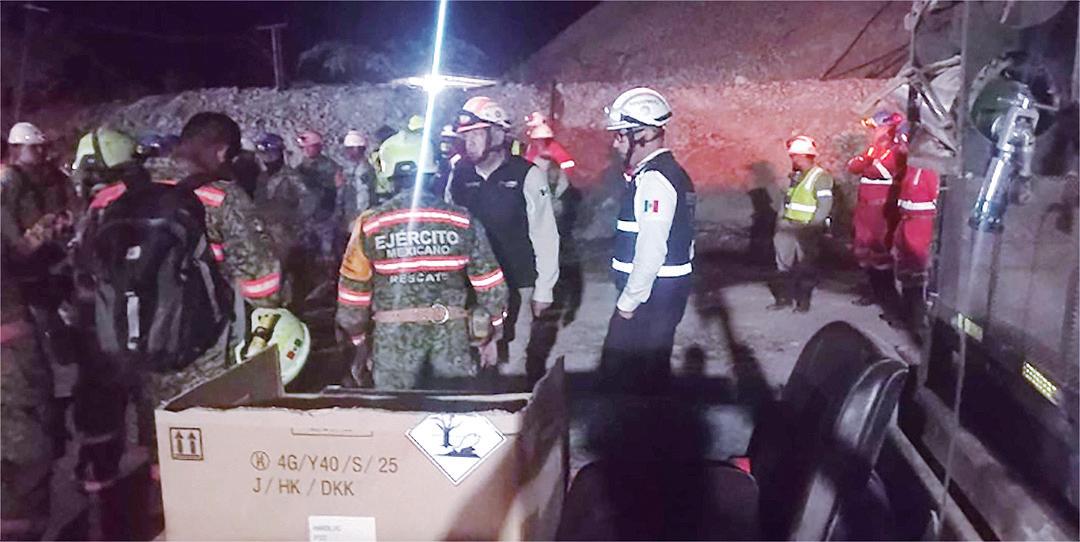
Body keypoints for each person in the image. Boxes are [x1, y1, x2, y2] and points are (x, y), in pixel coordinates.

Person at [335, 136, 508, 390]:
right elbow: (491, 287)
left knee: (396, 412)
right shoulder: (461, 220)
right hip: (452, 343)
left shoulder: (370, 224)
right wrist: (492, 333)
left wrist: (359, 341)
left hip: (392, 349)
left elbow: (352, 296)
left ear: (388, 174)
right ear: (432, 173)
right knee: (451, 411)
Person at [447, 96, 560, 381]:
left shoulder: (527, 175)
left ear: (497, 134)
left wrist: (544, 289)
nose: (468, 142)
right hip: (470, 288)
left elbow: (546, 235)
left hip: (518, 285)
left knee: (512, 366)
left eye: (476, 134)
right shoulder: (458, 175)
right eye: (465, 136)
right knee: (468, 365)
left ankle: (513, 404)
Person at [598, 88, 695, 394]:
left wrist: (629, 302)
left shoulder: (655, 179)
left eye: (620, 135)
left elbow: (652, 250)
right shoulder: (668, 173)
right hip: (663, 293)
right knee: (649, 373)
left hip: (651, 297)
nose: (615, 143)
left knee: (625, 376)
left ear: (643, 135)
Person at [847, 110, 906, 314]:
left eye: (876, 127)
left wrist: (867, 163)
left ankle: (885, 294)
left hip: (880, 208)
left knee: (880, 249)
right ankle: (870, 289)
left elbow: (880, 170)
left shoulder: (895, 151)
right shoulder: (873, 149)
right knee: (863, 246)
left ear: (888, 128)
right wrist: (867, 162)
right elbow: (853, 166)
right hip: (865, 207)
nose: (873, 132)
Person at [768, 136, 834, 312]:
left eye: (795, 156)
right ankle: (784, 299)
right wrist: (780, 222)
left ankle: (803, 302)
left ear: (805, 156)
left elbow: (824, 206)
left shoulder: (820, 177)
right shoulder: (796, 177)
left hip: (806, 228)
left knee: (806, 266)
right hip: (788, 226)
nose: (793, 159)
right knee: (783, 264)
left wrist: (813, 227)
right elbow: (788, 201)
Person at [890, 123, 940, 332]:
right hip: (908, 222)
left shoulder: (928, 169)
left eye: (902, 142)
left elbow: (936, 200)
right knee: (906, 270)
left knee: (917, 272)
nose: (900, 147)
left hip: (921, 225)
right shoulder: (913, 167)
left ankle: (917, 320)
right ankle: (907, 313)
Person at [295, 129, 343, 263]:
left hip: (326, 216)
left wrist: (336, 215)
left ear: (318, 147)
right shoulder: (300, 168)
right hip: (307, 218)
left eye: (308, 147)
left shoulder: (331, 167)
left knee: (327, 255)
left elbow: (340, 191)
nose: (305, 150)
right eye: (303, 148)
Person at [340, 129, 374, 236]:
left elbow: (363, 196)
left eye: (349, 149)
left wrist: (359, 216)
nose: (347, 153)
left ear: (357, 149)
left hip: (359, 216)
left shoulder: (363, 170)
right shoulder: (353, 168)